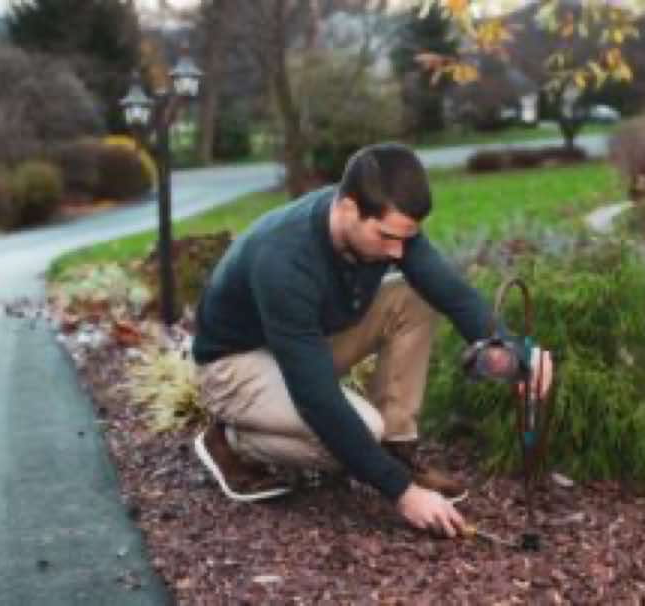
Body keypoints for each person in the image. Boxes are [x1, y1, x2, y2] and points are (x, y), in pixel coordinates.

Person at [191, 143, 552, 538]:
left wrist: (515, 353)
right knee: (355, 435)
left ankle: (396, 449)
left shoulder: (387, 225)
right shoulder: (284, 260)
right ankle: (231, 440)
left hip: (301, 343)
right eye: (386, 237)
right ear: (348, 208)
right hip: (234, 364)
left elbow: (452, 293)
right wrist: (401, 493)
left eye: (405, 239)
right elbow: (317, 400)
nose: (398, 250)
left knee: (415, 296)